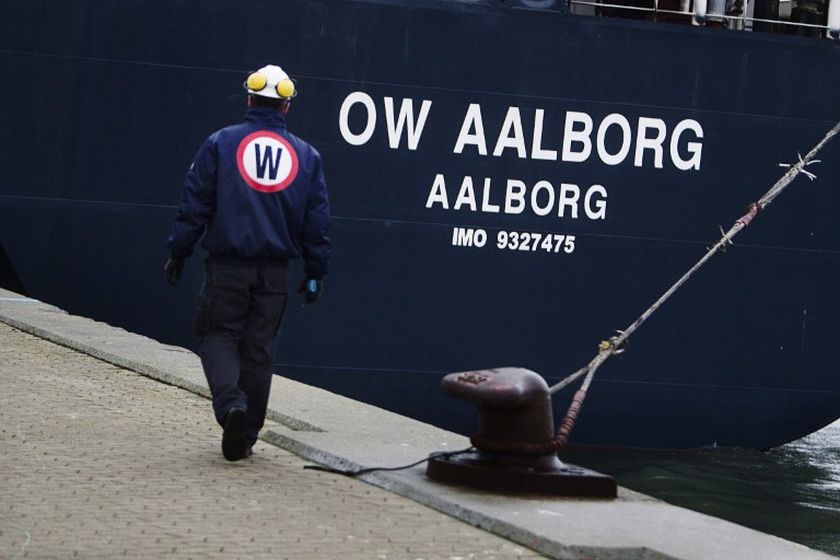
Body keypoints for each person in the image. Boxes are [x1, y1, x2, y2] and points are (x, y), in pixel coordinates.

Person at [164, 64, 330, 461]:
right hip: (273, 272)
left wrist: (179, 250)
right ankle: (247, 437)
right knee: (259, 350)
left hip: (227, 266)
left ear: (250, 100)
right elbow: (316, 221)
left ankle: (231, 406)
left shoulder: (221, 144)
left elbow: (195, 204)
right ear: (287, 107)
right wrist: (315, 271)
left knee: (218, 335)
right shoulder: (307, 156)